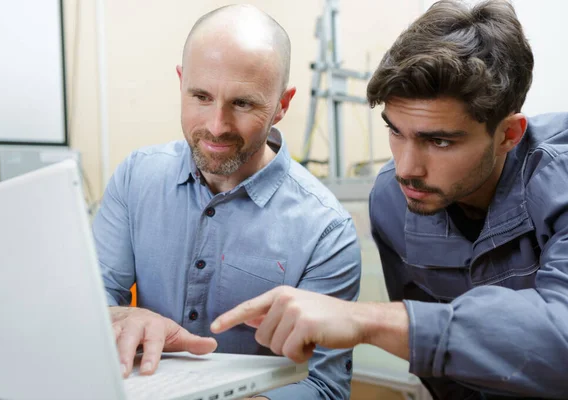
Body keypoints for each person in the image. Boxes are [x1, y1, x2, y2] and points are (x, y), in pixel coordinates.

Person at [211, 0, 568, 398]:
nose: (406, 168)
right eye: (396, 131)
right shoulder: (392, 198)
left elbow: (561, 338)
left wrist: (368, 321)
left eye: (439, 141)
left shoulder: (559, 181)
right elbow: (444, 376)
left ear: (508, 135)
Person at [92, 4, 361, 400]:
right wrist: (122, 316)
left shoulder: (326, 231)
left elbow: (324, 385)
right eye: (201, 96)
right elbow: (95, 296)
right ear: (181, 82)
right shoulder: (135, 178)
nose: (217, 126)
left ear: (282, 105)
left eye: (243, 103)